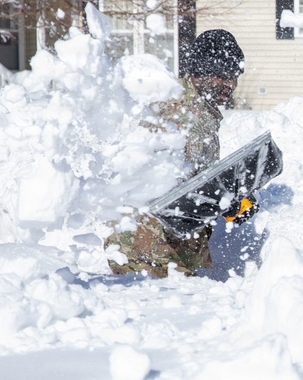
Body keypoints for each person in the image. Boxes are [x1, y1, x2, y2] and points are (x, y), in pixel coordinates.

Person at [105, 29, 246, 278]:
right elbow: (180, 187)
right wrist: (228, 200)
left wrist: (230, 200)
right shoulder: (183, 114)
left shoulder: (194, 109)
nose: (230, 84)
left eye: (234, 75)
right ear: (198, 72)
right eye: (221, 75)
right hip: (152, 252)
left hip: (161, 250)